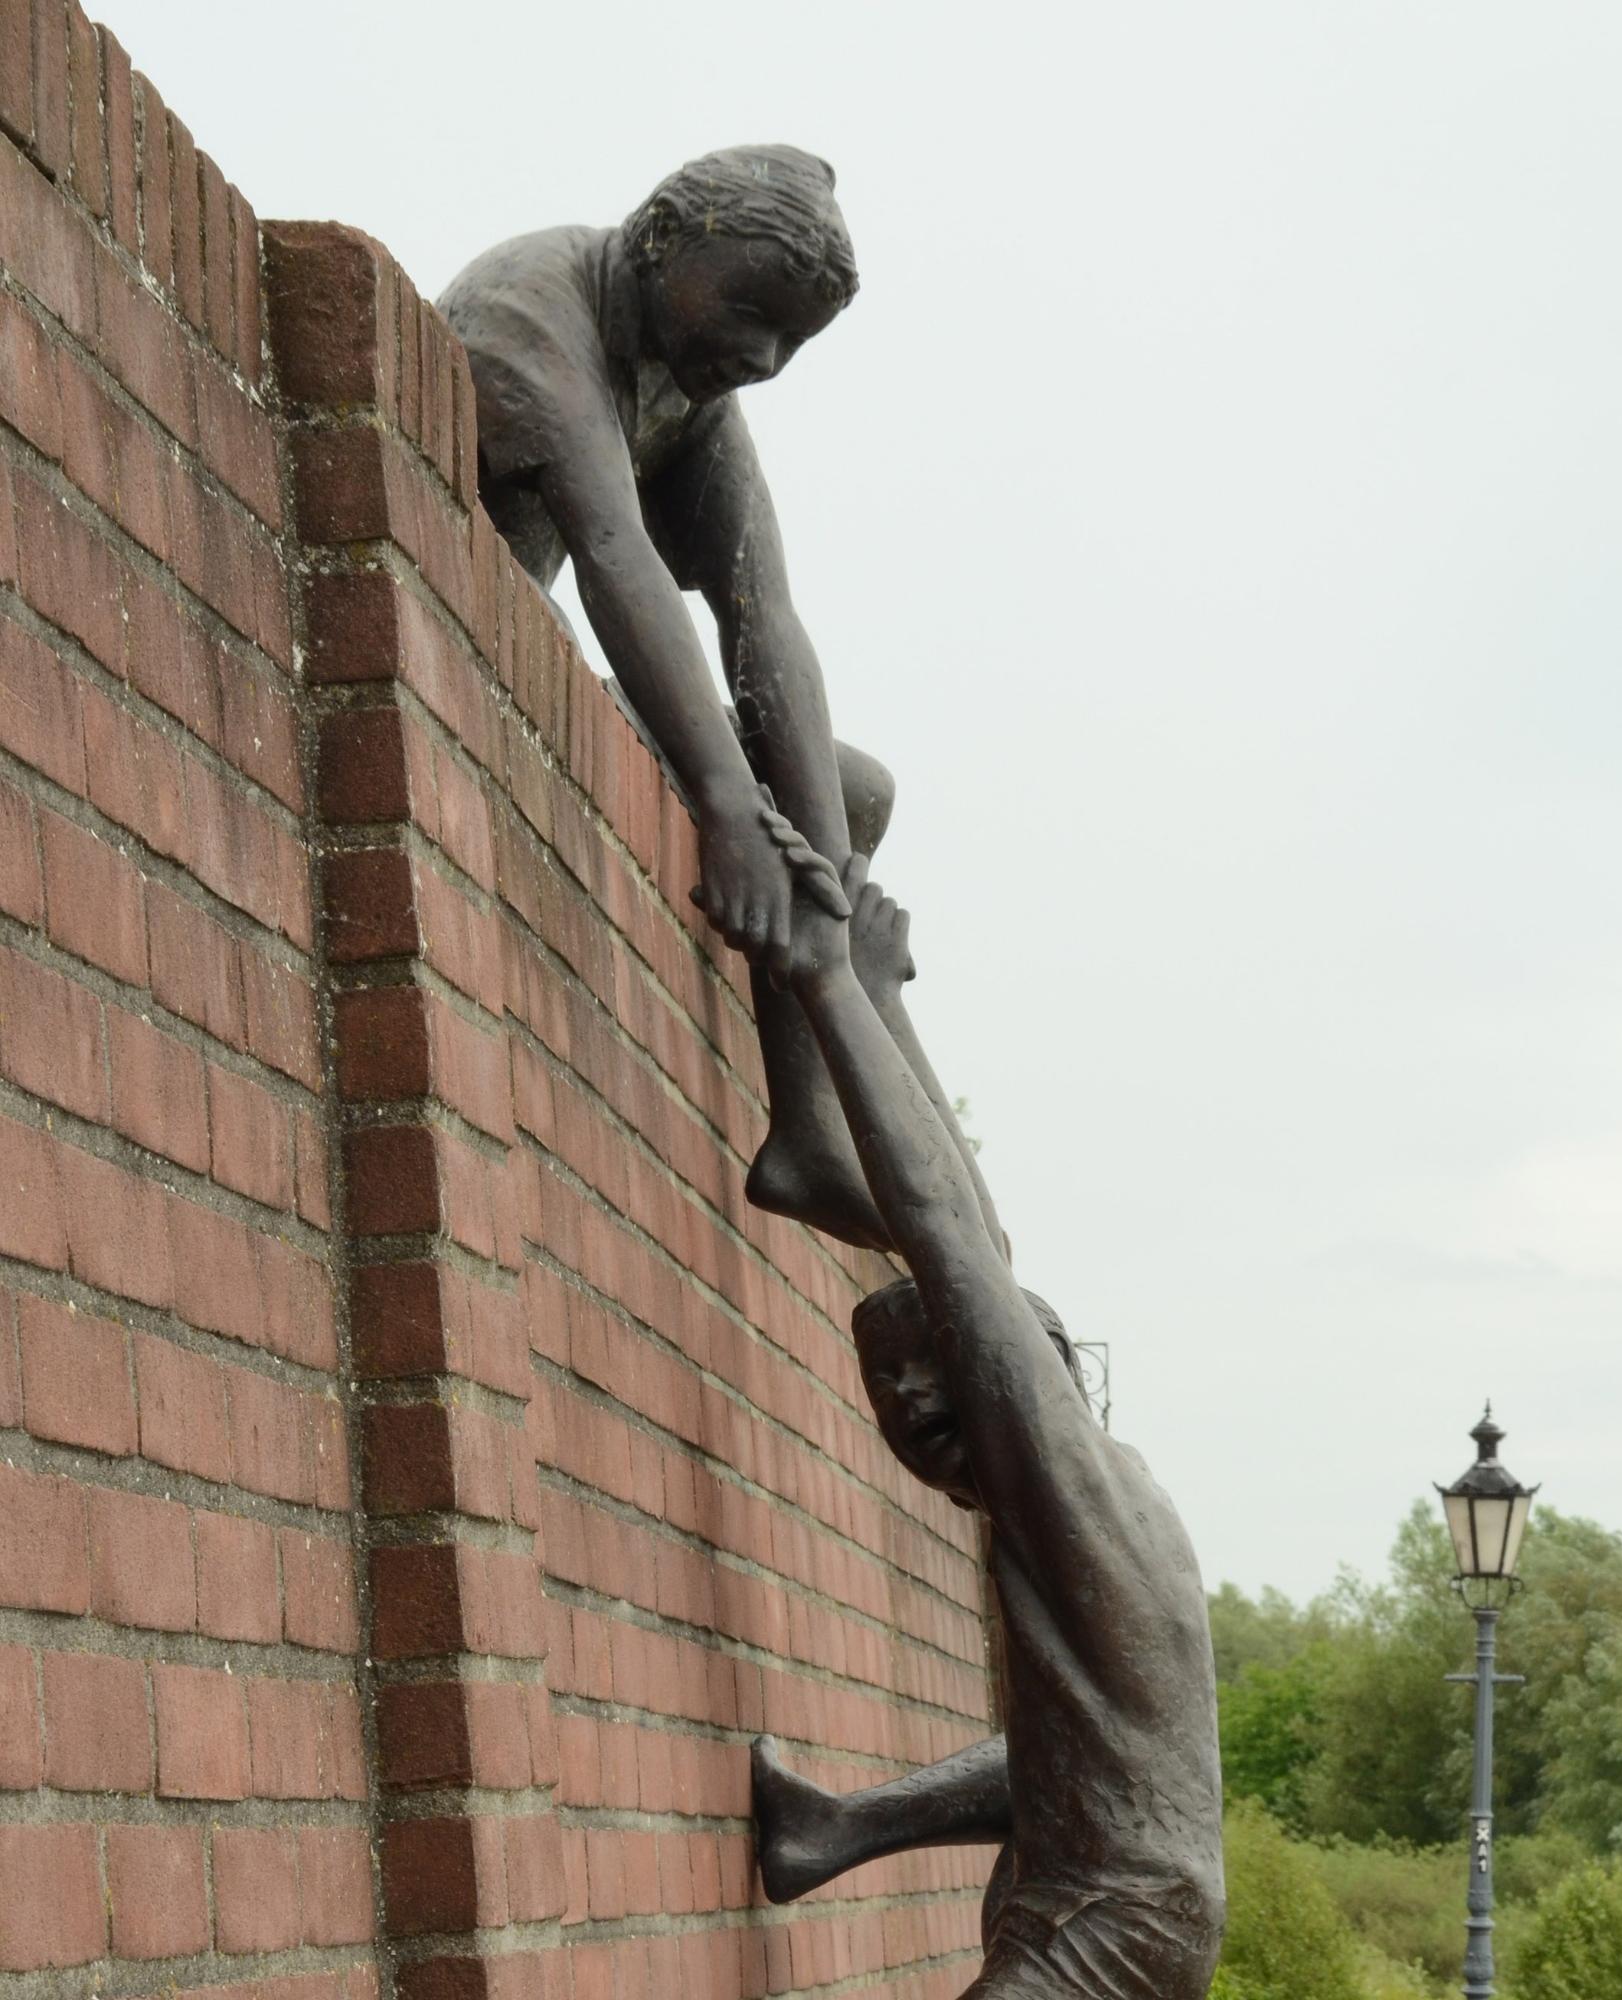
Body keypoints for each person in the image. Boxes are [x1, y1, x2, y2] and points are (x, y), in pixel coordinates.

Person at [439, 147, 991, 1250]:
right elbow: (612, 551)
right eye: (749, 310)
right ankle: (833, 1128)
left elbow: (763, 619)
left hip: (557, 670)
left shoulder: (685, 381)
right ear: (657, 238)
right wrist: (729, 809)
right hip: (474, 639)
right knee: (771, 800)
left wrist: (824, 879)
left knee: (851, 796)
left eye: (791, 342)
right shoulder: (531, 307)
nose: (763, 355)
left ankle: (818, 1115)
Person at [740, 816, 1224, 2000]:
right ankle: (830, 1831)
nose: (907, 1401)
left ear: (1022, 1370)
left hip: (1110, 1920)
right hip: (1113, 1891)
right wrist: (887, 995)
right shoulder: (1097, 1500)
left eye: (936, 1369)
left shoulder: (1058, 1469)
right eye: (884, 1384)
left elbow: (952, 1235)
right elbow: (968, 1242)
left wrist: (826, 979)